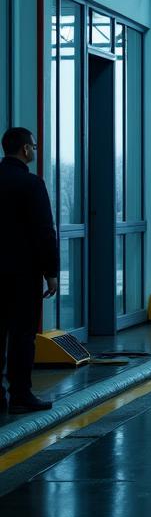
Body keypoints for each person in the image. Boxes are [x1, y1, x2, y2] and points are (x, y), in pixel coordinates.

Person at [0, 128, 58, 413]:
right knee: (23, 334)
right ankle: (21, 394)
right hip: (22, 273)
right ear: (25, 150)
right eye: (33, 146)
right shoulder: (32, 184)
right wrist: (51, 271)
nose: (34, 150)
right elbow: (44, 232)